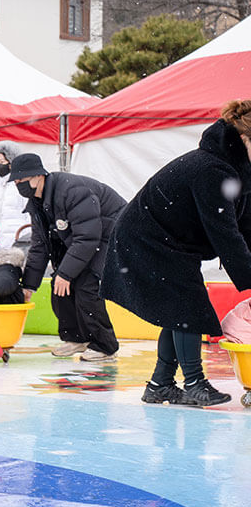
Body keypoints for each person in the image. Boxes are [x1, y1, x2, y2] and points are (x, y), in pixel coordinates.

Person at [102, 100, 251, 407]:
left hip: (169, 242)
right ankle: (195, 383)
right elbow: (225, 233)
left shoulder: (236, 171)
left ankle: (160, 384)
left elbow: (246, 223)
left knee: (178, 311)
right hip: (147, 239)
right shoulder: (212, 169)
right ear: (245, 139)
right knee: (189, 309)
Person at [10, 153, 125, 362]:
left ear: (38, 176)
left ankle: (105, 346)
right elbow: (39, 246)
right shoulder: (36, 203)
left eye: (22, 181)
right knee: (59, 284)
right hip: (84, 238)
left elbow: (88, 236)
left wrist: (66, 272)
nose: (19, 186)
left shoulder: (72, 191)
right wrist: (29, 285)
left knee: (86, 286)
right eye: (16, 182)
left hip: (113, 235)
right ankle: (76, 338)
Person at [0, 141, 31, 249]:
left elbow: (29, 214)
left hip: (17, 238)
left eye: (2, 161)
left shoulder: (21, 185)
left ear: (11, 162)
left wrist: (26, 237)